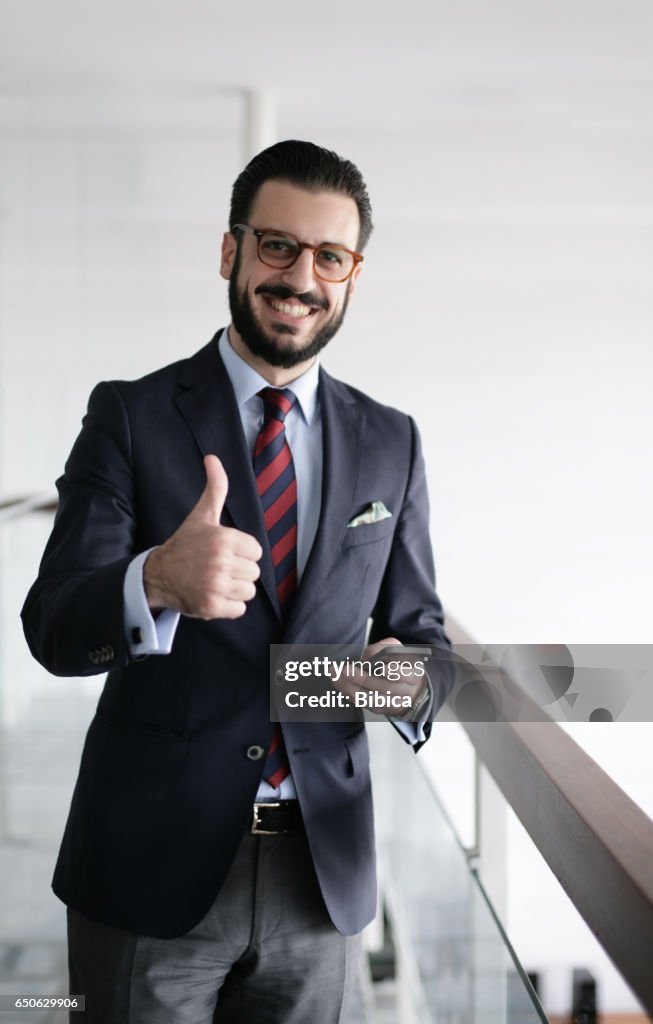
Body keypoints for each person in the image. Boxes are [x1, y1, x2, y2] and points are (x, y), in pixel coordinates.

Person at [21, 140, 450, 1023]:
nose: (301, 277)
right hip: (147, 866)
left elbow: (428, 643)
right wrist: (156, 582)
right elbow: (53, 624)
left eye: (330, 256)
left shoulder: (392, 440)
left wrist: (402, 679)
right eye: (278, 246)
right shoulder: (132, 417)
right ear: (231, 252)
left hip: (320, 877)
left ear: (352, 275)